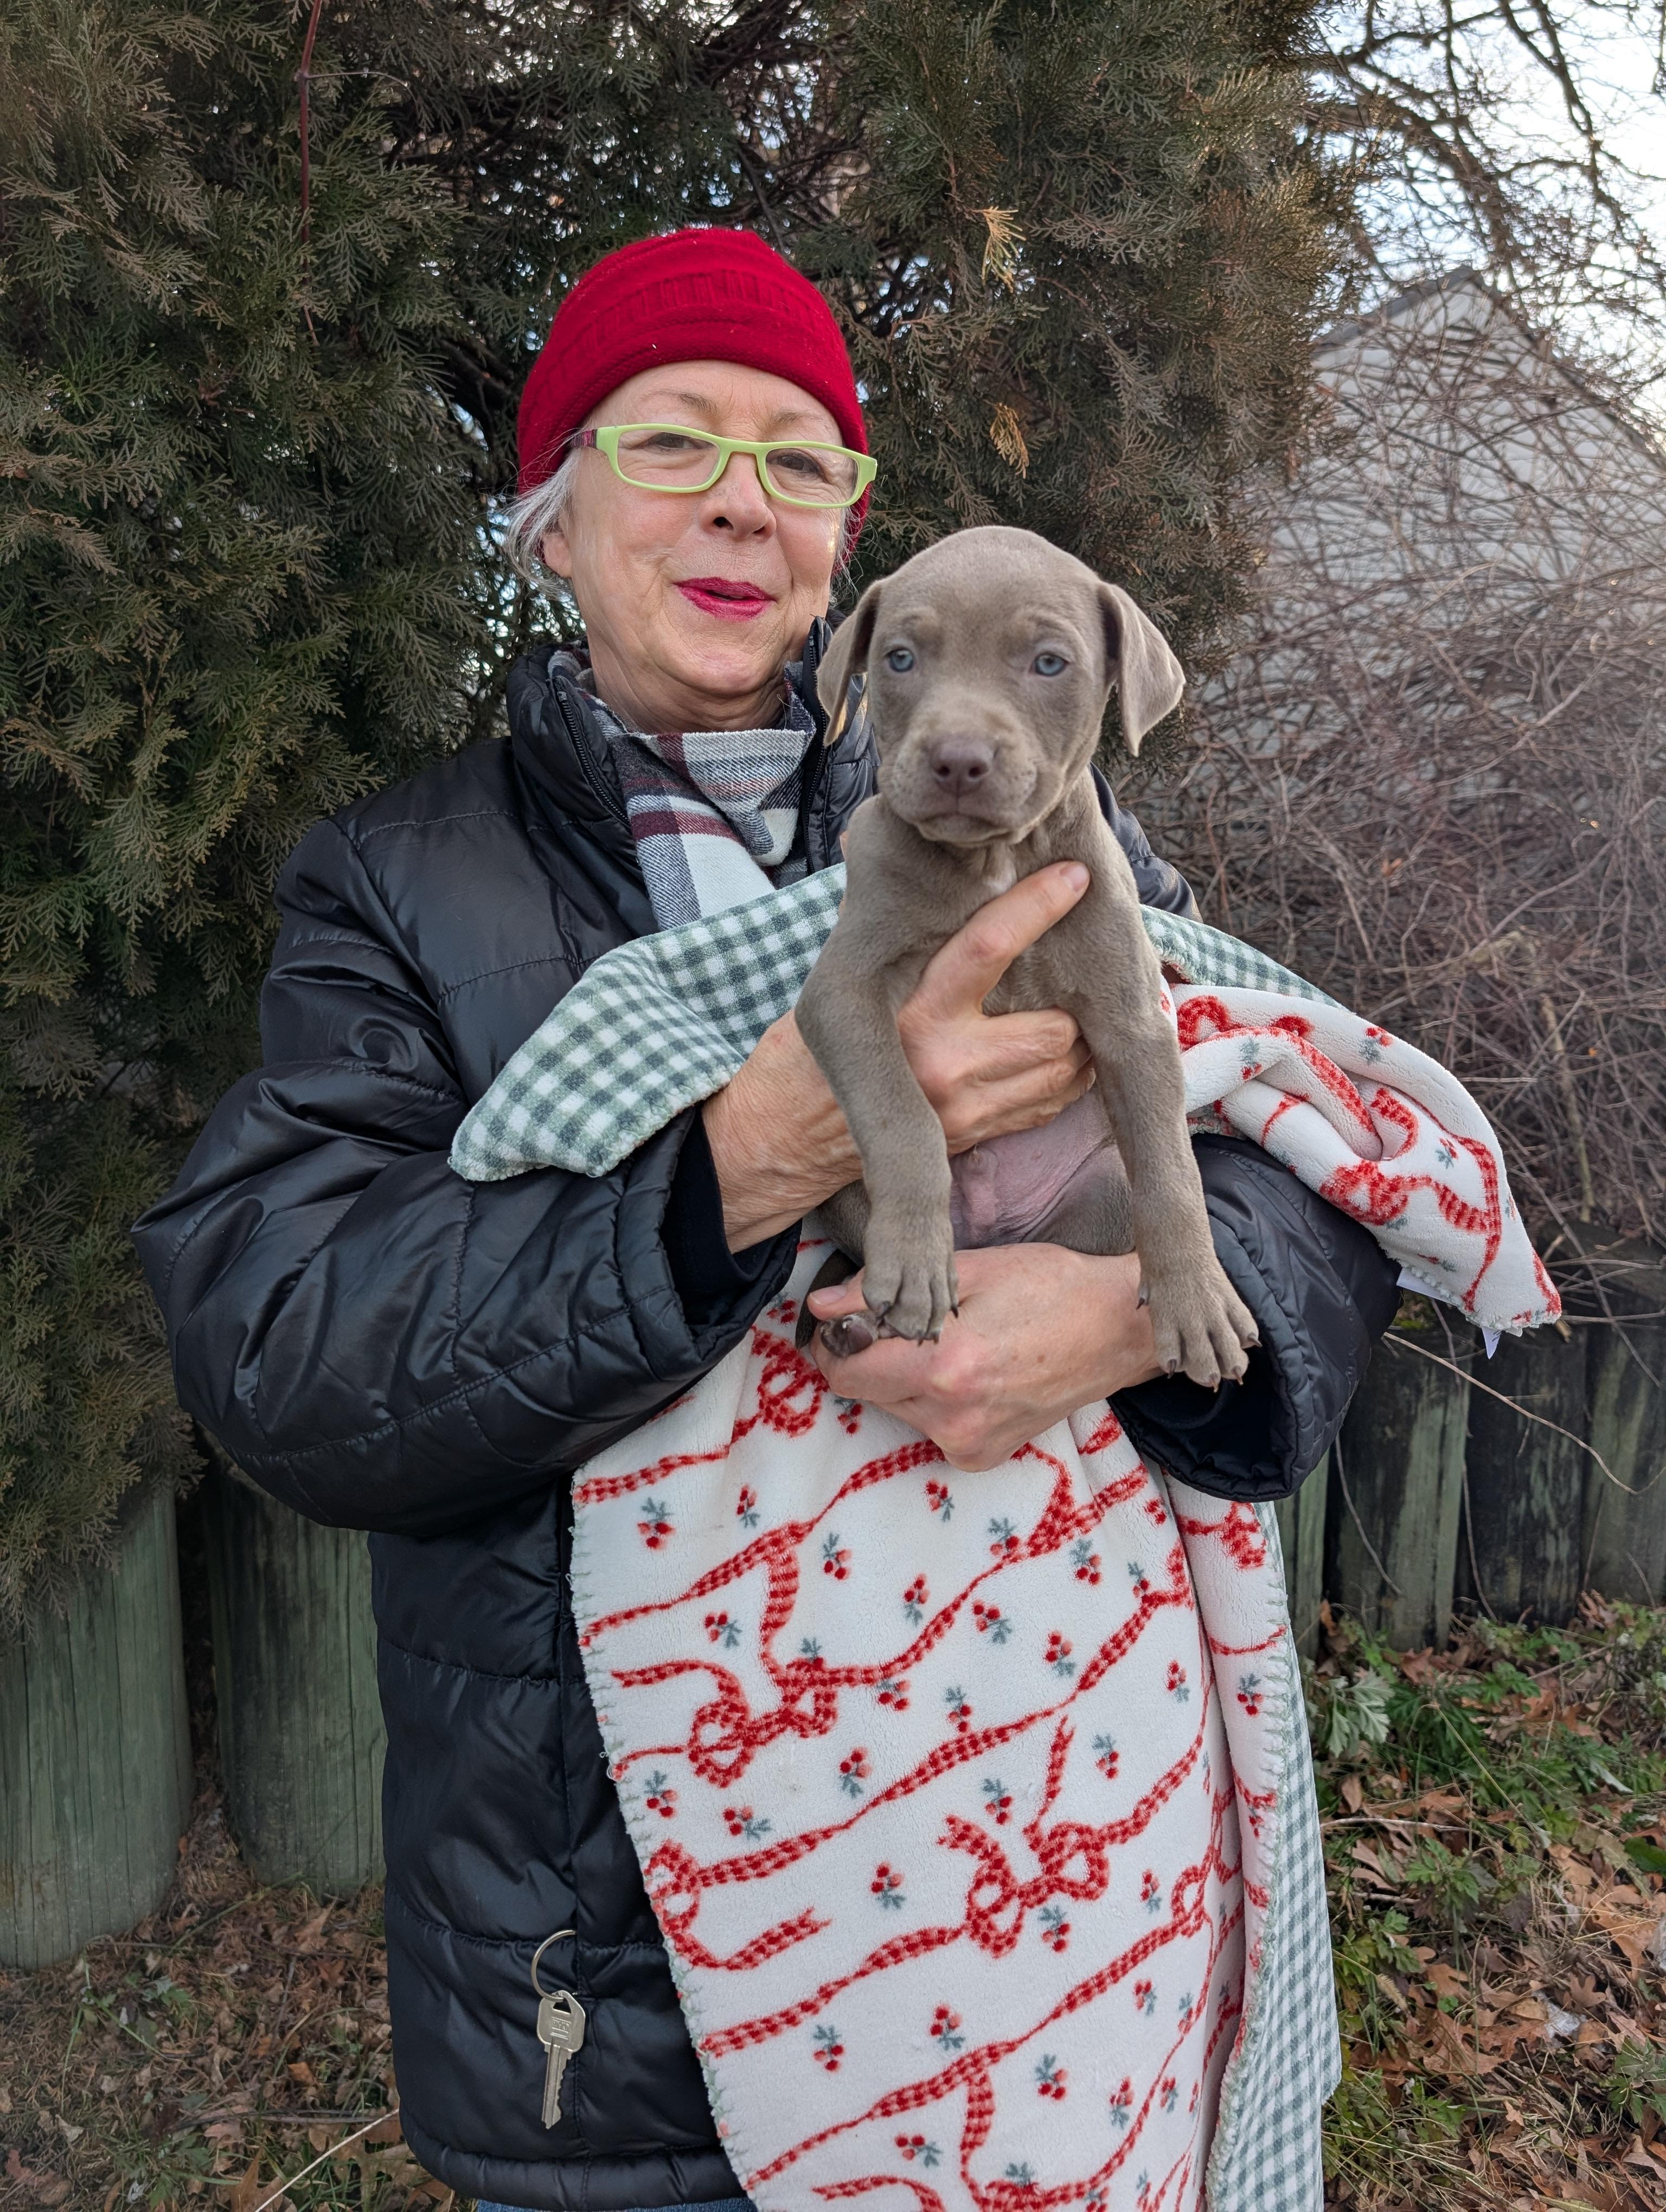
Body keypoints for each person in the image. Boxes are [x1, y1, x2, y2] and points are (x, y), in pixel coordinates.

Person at [134, 228, 1398, 2212]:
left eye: (799, 458)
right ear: (547, 524)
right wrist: (736, 1169)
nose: (743, 495)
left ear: (844, 555)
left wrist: (1142, 1316)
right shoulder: (396, 888)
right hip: (620, 1989)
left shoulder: (1043, 823)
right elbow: (291, 1349)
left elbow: (1296, 1139)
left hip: (1056, 1877)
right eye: (672, 444)